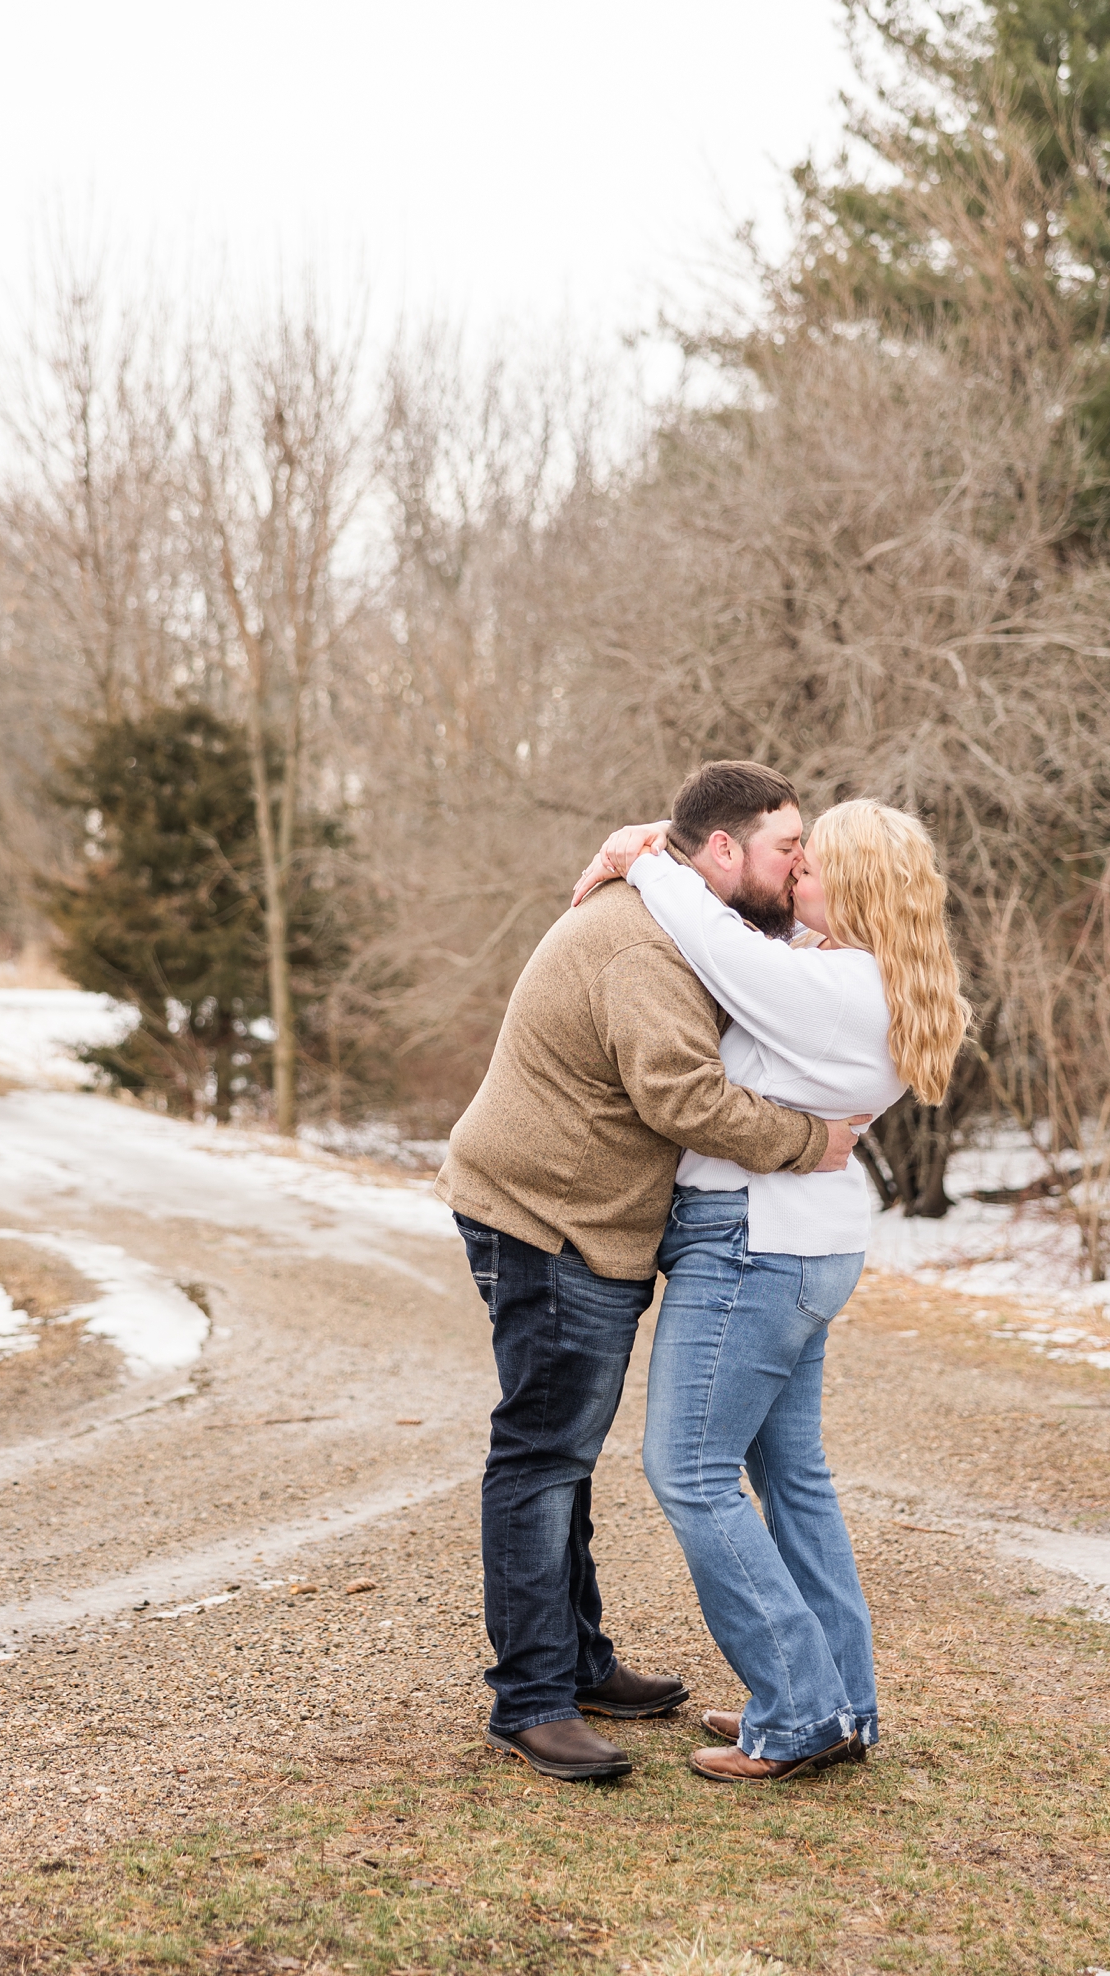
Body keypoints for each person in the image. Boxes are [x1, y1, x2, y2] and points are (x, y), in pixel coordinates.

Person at [435, 761, 867, 1782]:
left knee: (565, 1450)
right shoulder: (648, 951)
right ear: (722, 852)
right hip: (547, 1216)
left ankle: (578, 1663)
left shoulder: (690, 922)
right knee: (542, 1454)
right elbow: (682, 1098)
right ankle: (531, 1699)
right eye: (786, 849)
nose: (799, 864)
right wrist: (813, 1141)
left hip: (588, 1215)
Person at [572, 795, 970, 1782]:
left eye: (816, 867)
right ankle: (842, 1700)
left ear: (862, 892)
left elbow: (723, 951)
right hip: (798, 1245)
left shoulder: (836, 988)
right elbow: (753, 940)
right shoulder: (859, 977)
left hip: (754, 1247)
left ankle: (798, 1711)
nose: (797, 878)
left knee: (690, 1473)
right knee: (791, 1479)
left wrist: (646, 855)